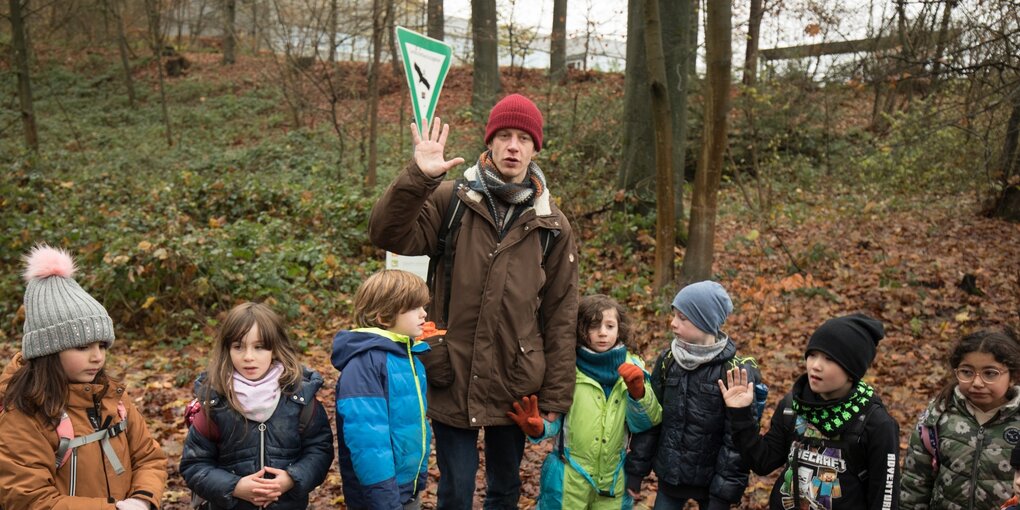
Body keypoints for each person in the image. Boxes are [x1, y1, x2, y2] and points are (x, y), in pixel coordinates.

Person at [368, 93, 580, 509]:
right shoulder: (451, 200)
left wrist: (555, 396)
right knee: (455, 490)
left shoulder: (552, 225)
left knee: (505, 489)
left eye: (523, 138)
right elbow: (386, 233)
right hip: (453, 371)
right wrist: (418, 177)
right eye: (504, 136)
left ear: (536, 148)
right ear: (490, 142)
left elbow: (560, 313)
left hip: (516, 382)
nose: (513, 146)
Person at [0, 245, 167, 510]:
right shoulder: (23, 415)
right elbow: (30, 499)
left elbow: (149, 458)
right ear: (48, 351)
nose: (97, 357)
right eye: (82, 347)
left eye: (102, 345)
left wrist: (143, 500)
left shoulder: (113, 398)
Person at [718, 313, 901, 510]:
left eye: (829, 359)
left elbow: (884, 500)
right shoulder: (793, 406)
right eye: (812, 354)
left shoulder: (876, 424)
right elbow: (763, 462)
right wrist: (741, 415)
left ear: (852, 370)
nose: (815, 366)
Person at [506, 294, 661, 509]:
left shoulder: (633, 367)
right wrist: (539, 428)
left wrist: (639, 393)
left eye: (609, 325)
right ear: (580, 329)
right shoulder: (566, 368)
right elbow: (555, 420)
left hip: (613, 480)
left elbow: (645, 422)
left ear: (619, 329)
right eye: (593, 325)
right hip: (567, 477)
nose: (602, 333)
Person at [179, 302, 334, 509]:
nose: (248, 357)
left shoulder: (300, 399)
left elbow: (320, 451)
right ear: (227, 349)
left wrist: (291, 478)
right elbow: (194, 465)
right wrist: (235, 486)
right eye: (238, 346)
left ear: (275, 349)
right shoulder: (214, 402)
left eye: (259, 347)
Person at [625, 281, 764, 509]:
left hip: (712, 486)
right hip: (671, 479)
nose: (673, 323)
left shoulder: (733, 370)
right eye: (674, 315)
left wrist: (724, 494)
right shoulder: (668, 361)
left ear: (705, 322)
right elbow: (653, 419)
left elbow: (736, 440)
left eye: (683, 317)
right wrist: (636, 471)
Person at [331, 270, 433, 510]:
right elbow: (369, 443)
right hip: (380, 498)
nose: (424, 313)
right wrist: (386, 502)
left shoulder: (408, 358)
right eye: (414, 307)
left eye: (423, 306)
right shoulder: (365, 364)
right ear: (384, 317)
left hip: (404, 489)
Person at [900, 328, 1020, 509]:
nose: (977, 383)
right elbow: (915, 481)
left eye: (990, 373)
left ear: (1013, 376)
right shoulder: (939, 415)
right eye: (967, 372)